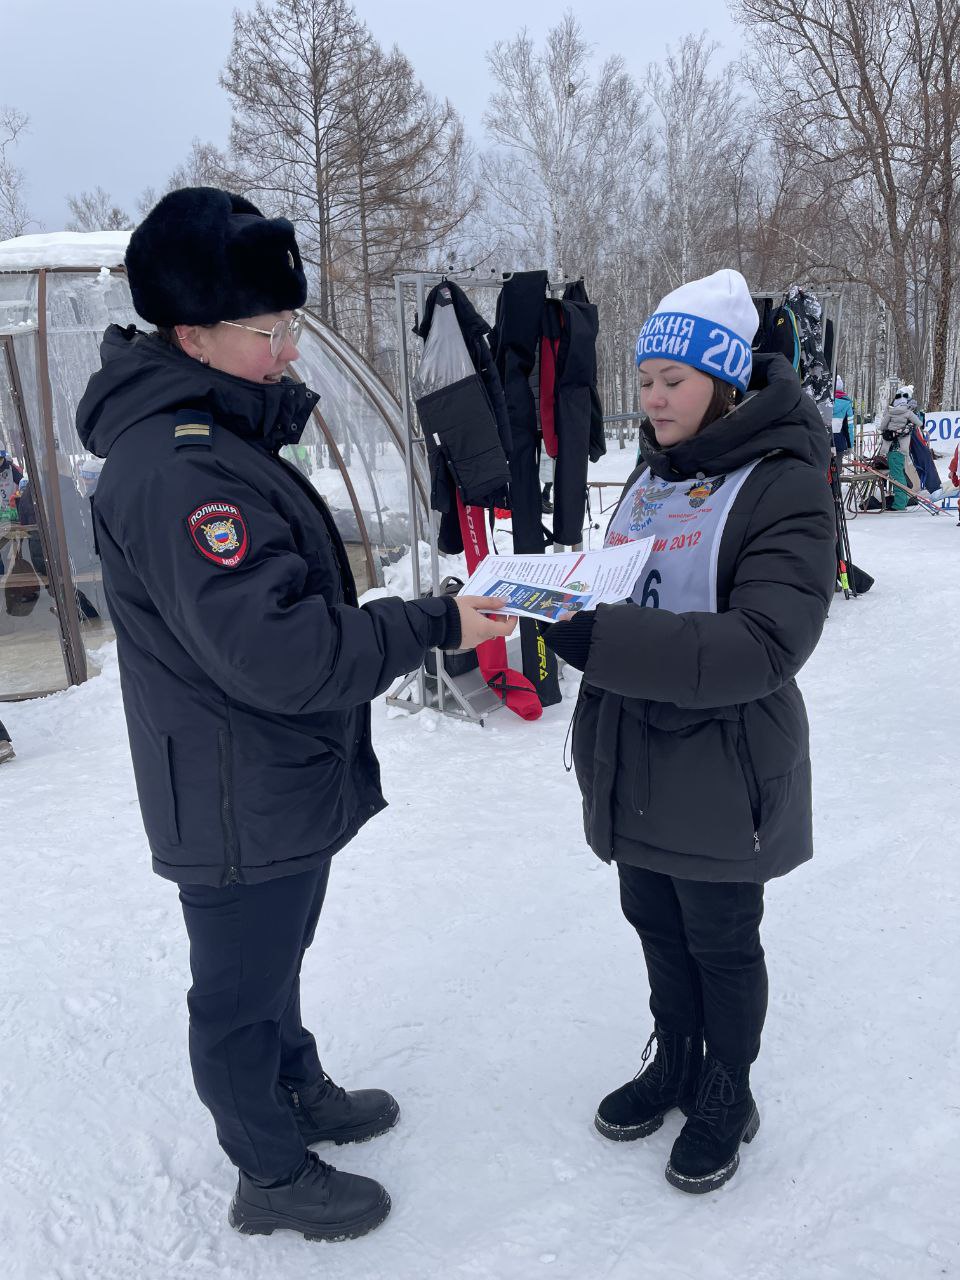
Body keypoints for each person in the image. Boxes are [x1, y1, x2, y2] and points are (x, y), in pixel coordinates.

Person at [75, 187, 514, 1244]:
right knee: (237, 992)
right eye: (267, 330)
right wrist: (432, 622)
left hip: (262, 777)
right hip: (232, 792)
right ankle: (267, 1172)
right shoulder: (180, 469)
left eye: (290, 325)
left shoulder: (215, 434)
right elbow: (280, 651)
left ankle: (295, 1087)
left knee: (276, 961)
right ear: (192, 334)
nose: (288, 350)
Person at [545, 270, 835, 1194]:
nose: (655, 398)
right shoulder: (652, 475)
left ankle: (727, 1087)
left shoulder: (785, 482)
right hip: (632, 751)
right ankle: (675, 1057)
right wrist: (562, 594)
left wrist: (602, 640)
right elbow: (626, 582)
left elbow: (767, 643)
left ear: (724, 381)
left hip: (722, 760)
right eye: (645, 380)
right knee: (655, 923)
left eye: (674, 380)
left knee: (720, 937)